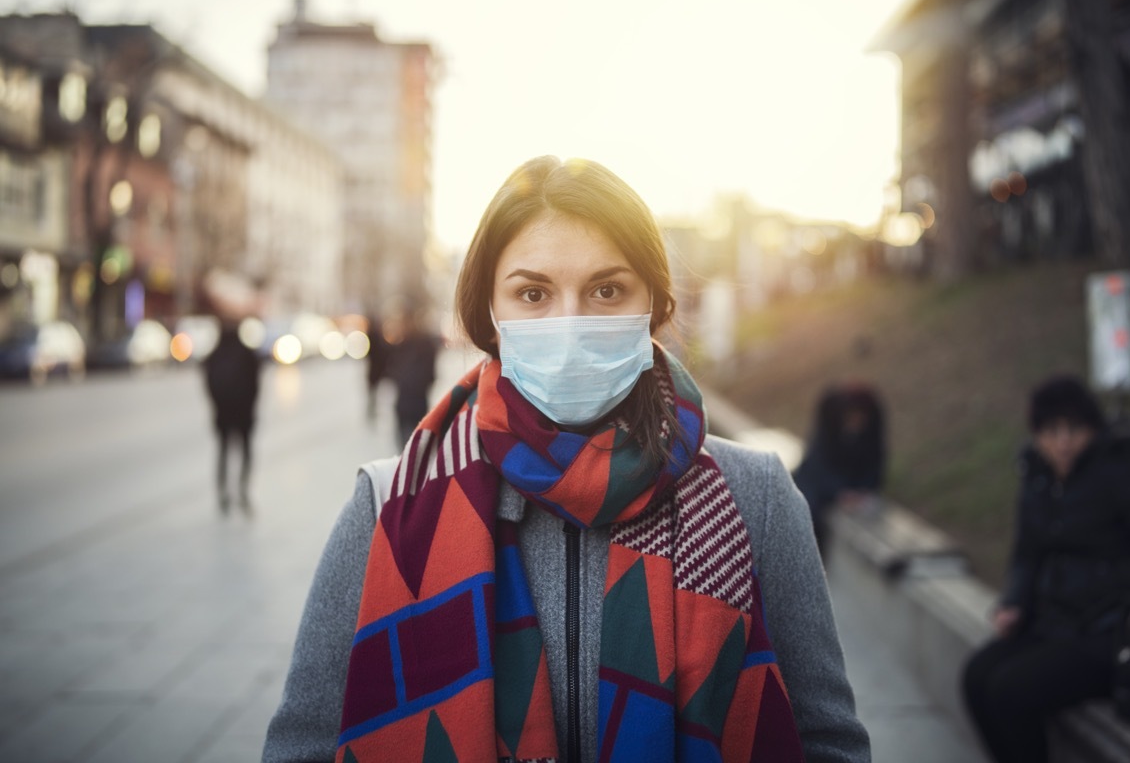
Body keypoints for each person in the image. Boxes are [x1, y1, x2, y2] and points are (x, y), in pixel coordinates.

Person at [263, 156, 870, 763]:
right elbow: (303, 748)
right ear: (491, 315)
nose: (571, 322)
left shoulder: (755, 497)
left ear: (654, 304)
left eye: (607, 290)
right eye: (533, 293)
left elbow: (827, 744)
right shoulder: (387, 507)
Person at [961, 374, 1130, 763]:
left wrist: (1111, 581)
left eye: (1074, 429)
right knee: (976, 676)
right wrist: (1014, 602)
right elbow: (1026, 552)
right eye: (1051, 431)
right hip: (1053, 621)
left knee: (1009, 692)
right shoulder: (1036, 475)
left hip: (1111, 633)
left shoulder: (1122, 473)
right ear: (1036, 434)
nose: (1063, 442)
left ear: (1093, 429)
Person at [791, 382, 886, 560]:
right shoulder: (830, 412)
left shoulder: (873, 416)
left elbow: (875, 461)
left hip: (851, 484)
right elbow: (817, 463)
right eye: (852, 417)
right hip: (817, 483)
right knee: (809, 510)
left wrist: (863, 490)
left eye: (860, 418)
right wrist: (839, 492)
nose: (856, 423)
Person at [203, 320, 261, 515]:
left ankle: (223, 492)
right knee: (245, 452)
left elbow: (209, 385)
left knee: (223, 453)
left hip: (223, 414)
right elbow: (256, 386)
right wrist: (251, 407)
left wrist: (217, 405)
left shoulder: (215, 355)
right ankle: (242, 489)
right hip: (243, 414)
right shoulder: (247, 354)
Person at [386, 305, 440, 452]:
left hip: (416, 404)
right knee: (404, 447)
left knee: (414, 449)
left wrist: (411, 382)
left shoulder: (424, 343)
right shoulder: (400, 343)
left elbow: (430, 374)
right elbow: (391, 367)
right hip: (403, 405)